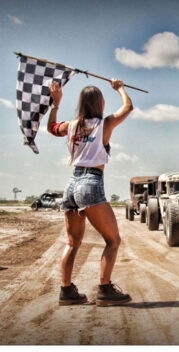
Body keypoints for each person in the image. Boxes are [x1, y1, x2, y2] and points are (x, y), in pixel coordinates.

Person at [47, 79, 133, 306]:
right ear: (100, 103)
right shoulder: (104, 124)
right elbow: (128, 108)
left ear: (81, 104)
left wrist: (56, 104)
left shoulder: (72, 125)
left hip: (72, 184)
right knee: (113, 240)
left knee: (72, 242)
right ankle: (105, 290)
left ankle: (66, 292)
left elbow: (52, 128)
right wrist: (120, 88)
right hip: (91, 183)